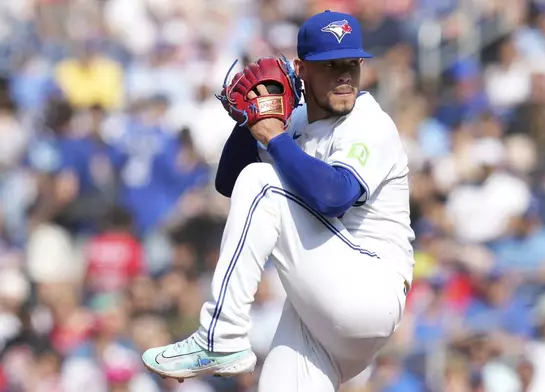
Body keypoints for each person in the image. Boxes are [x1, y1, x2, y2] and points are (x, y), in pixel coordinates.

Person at [141, 10, 415, 392]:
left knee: (263, 181)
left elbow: (333, 196)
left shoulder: (369, 122)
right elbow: (228, 184)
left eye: (351, 65)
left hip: (369, 287)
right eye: (331, 65)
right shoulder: (295, 120)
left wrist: (274, 138)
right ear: (302, 69)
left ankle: (221, 335)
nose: (344, 76)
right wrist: (249, 121)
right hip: (320, 315)